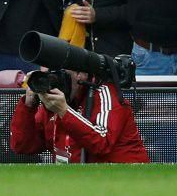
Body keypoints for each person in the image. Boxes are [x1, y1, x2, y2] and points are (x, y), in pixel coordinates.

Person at [10, 69, 149, 162]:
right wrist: (28, 106)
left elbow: (102, 143)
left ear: (81, 75)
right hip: (76, 182)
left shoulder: (104, 93)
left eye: (62, 75)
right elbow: (23, 146)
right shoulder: (50, 101)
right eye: (50, 75)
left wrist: (64, 111)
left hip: (126, 180)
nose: (54, 82)